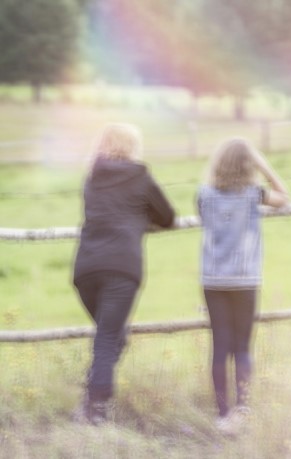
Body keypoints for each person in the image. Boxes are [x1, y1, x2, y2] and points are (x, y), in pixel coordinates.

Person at [72, 123, 176, 424]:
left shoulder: (91, 177)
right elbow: (167, 217)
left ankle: (89, 400)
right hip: (121, 267)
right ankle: (96, 410)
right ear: (133, 146)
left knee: (114, 337)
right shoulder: (140, 176)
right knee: (108, 337)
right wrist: (140, 216)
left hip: (86, 269)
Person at [197, 137, 290, 433]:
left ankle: (223, 414)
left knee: (220, 346)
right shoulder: (254, 194)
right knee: (242, 346)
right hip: (245, 278)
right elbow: (284, 197)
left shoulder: (204, 194)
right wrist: (265, 166)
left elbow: (206, 219)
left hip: (213, 279)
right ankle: (244, 408)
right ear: (248, 165)